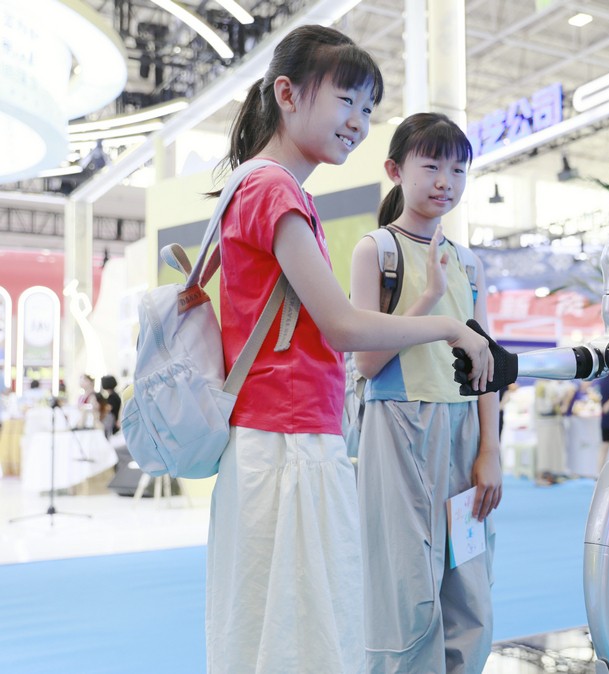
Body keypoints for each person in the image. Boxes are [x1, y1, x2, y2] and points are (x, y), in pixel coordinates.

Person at [204, 31, 492, 674]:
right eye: (345, 101)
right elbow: (342, 328)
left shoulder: (275, 190)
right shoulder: (274, 190)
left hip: (295, 438)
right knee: (301, 636)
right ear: (287, 94)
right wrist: (449, 326)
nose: (358, 122)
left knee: (295, 629)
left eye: (367, 108)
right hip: (286, 442)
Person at [349, 112, 501, 673]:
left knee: (470, 584)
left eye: (458, 169)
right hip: (398, 429)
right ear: (396, 170)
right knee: (405, 588)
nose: (445, 181)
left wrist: (490, 450)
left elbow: (487, 363)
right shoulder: (377, 250)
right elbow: (366, 361)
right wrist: (430, 297)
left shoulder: (469, 262)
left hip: (464, 432)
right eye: (432, 165)